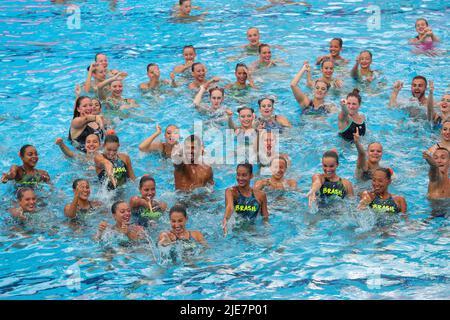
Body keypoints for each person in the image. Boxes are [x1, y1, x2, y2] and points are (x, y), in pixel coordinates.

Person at [222, 163, 269, 235]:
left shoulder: (261, 195)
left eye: (244, 175)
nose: (240, 178)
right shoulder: (231, 192)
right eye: (238, 174)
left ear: (251, 176)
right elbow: (230, 207)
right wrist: (225, 220)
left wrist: (266, 232)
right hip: (236, 231)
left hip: (252, 230)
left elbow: (265, 218)